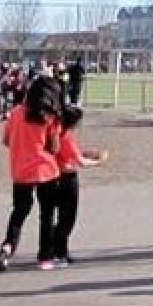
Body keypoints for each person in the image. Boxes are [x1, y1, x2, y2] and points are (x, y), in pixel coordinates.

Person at [0, 76, 64, 271]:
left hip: (21, 170)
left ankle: (8, 246)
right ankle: (45, 257)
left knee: (19, 212)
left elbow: (7, 141)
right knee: (47, 214)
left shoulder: (16, 113)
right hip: (46, 170)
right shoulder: (50, 117)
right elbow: (55, 147)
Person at [50, 105, 103, 267]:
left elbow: (74, 154)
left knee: (55, 218)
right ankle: (60, 252)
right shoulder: (66, 136)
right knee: (67, 219)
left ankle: (57, 250)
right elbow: (79, 161)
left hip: (53, 177)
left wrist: (88, 153)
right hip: (67, 178)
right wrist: (98, 162)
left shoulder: (56, 133)